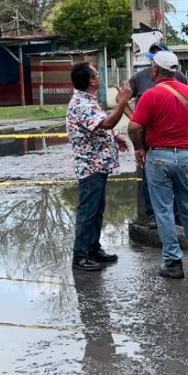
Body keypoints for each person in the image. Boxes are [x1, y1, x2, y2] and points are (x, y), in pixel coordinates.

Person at [127, 51, 188, 279]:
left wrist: (139, 148)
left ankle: (173, 262)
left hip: (158, 157)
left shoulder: (151, 95)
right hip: (183, 157)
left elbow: (134, 126)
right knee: (187, 207)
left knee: (163, 210)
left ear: (155, 69)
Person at [67, 62, 132, 271]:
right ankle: (81, 255)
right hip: (90, 167)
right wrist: (122, 102)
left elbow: (99, 127)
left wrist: (114, 138)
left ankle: (93, 248)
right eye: (96, 73)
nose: (100, 75)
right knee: (88, 211)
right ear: (91, 81)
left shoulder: (89, 100)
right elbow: (106, 123)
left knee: (97, 210)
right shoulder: (81, 104)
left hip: (99, 165)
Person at [125, 41, 187, 229]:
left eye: (159, 54)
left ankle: (177, 215)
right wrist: (135, 118)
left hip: (174, 138)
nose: (155, 58)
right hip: (148, 139)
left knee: (177, 180)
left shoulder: (179, 77)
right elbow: (124, 99)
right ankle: (152, 214)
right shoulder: (139, 78)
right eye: (152, 55)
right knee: (148, 178)